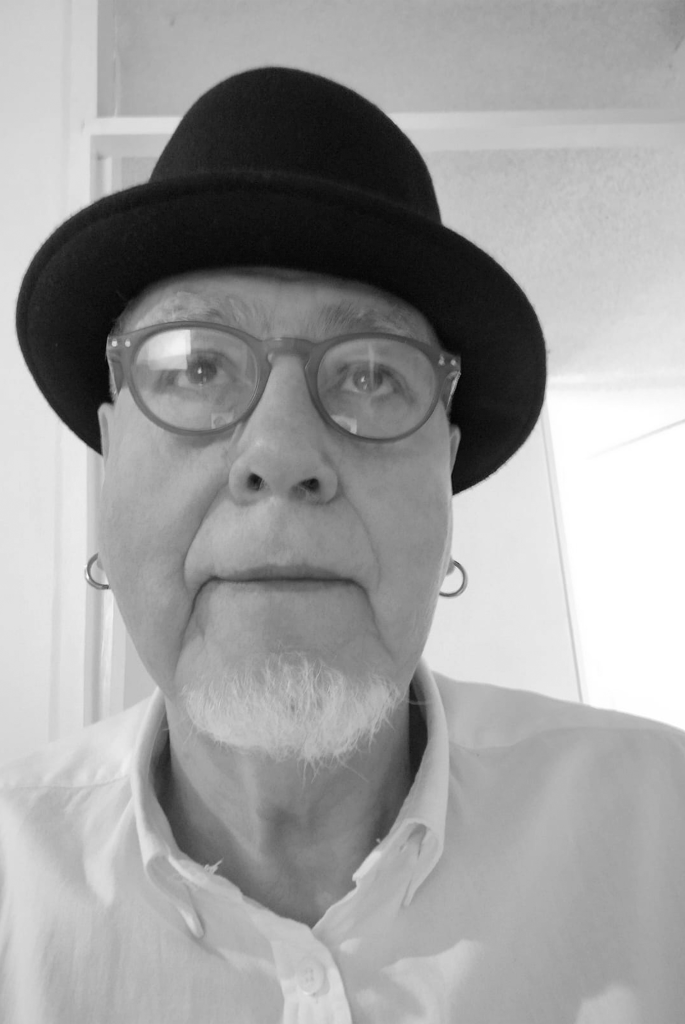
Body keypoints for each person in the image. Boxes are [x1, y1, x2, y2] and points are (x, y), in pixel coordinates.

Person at [2, 66, 684, 1023]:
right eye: (195, 366)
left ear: (445, 472)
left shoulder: (664, 836)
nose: (281, 456)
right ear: (111, 457)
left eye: (370, 375)